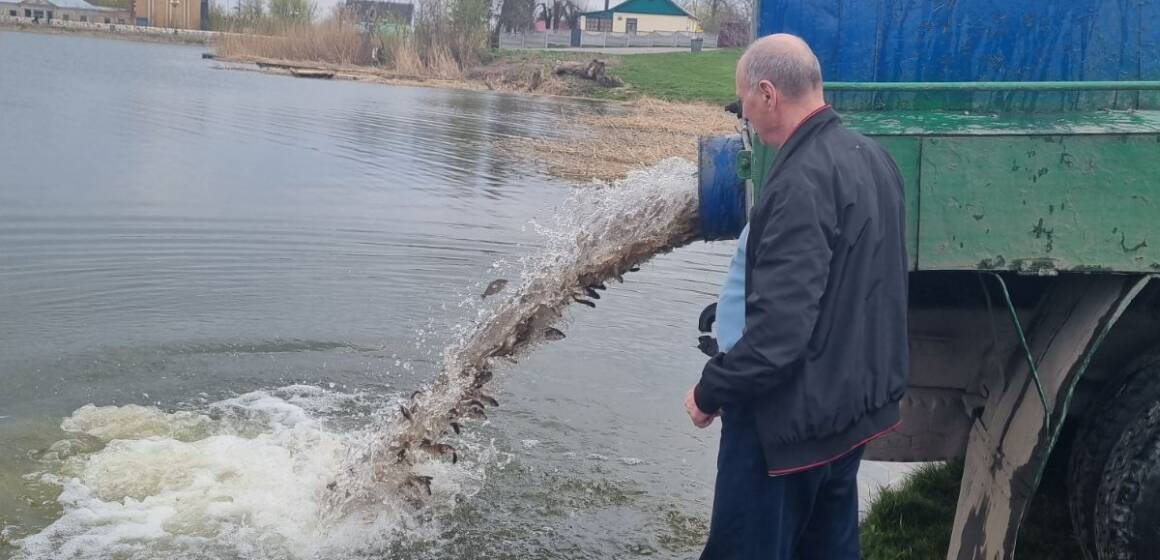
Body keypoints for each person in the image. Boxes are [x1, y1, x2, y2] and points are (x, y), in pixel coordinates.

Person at [684, 34, 909, 560]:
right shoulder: (874, 159)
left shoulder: (800, 183)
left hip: (784, 429)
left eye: (744, 99)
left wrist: (711, 390)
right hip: (845, 415)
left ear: (768, 94)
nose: (744, 114)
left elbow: (777, 338)